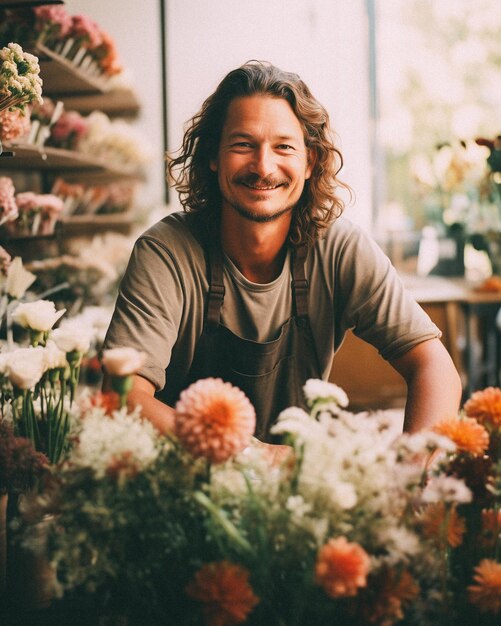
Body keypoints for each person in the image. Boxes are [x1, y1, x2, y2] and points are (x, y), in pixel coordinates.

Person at [103, 60, 462, 440]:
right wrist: (250, 455)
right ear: (212, 156)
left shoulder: (340, 249)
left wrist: (416, 476)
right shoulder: (167, 252)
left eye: (283, 147)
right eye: (243, 145)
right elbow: (122, 397)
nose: (263, 166)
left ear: (310, 162)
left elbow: (433, 366)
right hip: (182, 484)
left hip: (298, 487)